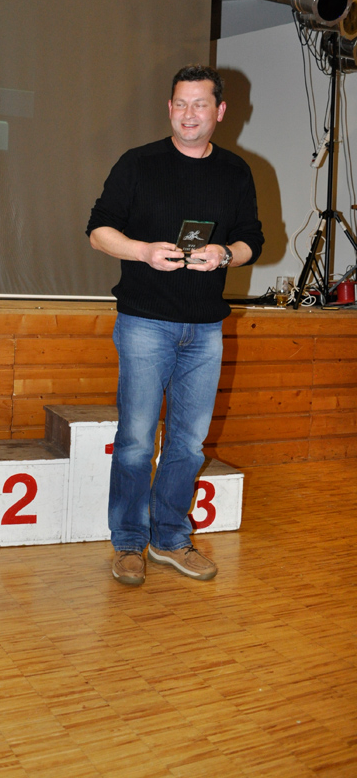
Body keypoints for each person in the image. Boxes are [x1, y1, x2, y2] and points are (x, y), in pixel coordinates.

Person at [86, 65, 263, 586]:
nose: (189, 114)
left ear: (219, 111)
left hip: (205, 329)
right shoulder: (137, 163)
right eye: (180, 104)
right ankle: (127, 542)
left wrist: (225, 253)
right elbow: (97, 230)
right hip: (144, 322)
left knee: (188, 444)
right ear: (169, 108)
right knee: (136, 441)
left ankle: (169, 538)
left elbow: (253, 240)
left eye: (200, 104)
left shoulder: (235, 172)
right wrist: (143, 251)